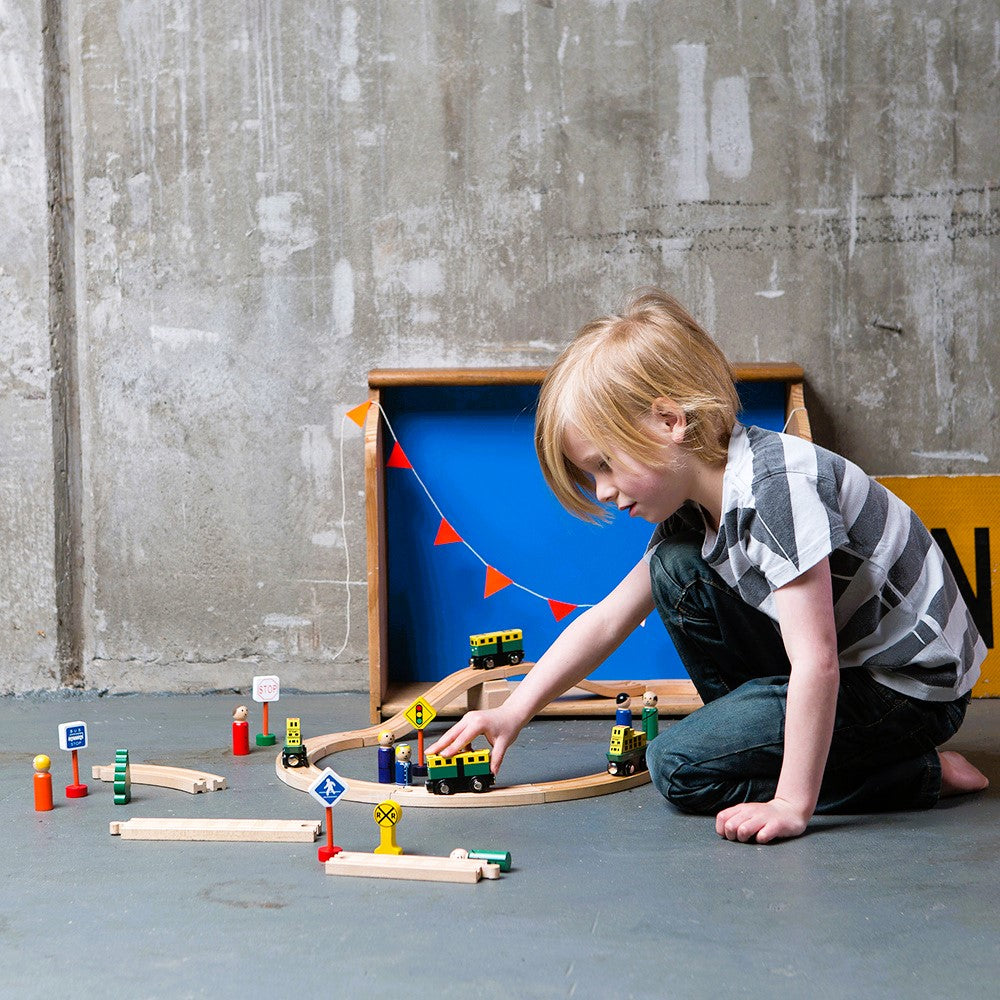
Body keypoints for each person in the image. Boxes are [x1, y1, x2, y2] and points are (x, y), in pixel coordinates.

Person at [427, 287, 989, 844]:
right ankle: (791, 749)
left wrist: (792, 804)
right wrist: (515, 711)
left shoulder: (775, 491)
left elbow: (816, 662)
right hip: (849, 668)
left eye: (604, 465)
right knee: (673, 569)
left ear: (670, 420)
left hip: (910, 690)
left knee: (676, 765)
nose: (602, 491)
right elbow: (606, 620)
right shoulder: (694, 513)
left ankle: (911, 773)